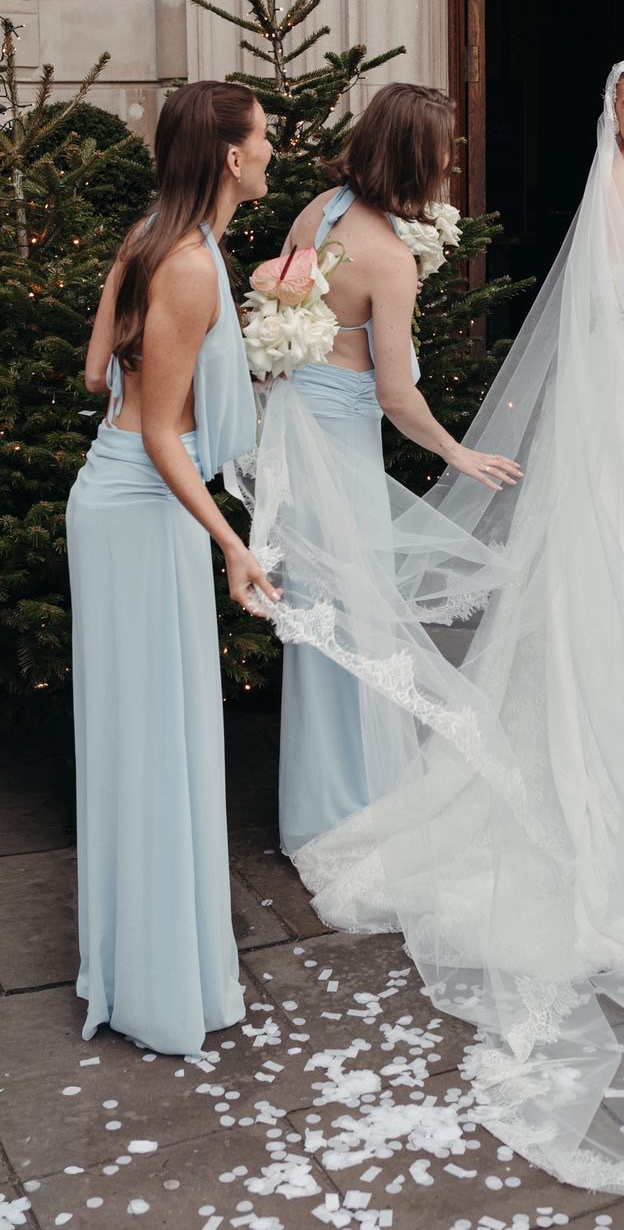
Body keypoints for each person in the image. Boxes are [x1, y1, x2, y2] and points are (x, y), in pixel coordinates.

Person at [244, 54, 624, 1213]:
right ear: (610, 114)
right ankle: (592, 778)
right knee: (616, 584)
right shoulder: (608, 199)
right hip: (617, 426)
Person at [67, 81, 280, 1056]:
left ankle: (139, 972)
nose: (273, 149)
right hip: (145, 508)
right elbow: (161, 432)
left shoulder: (152, 234)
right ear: (232, 158)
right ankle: (159, 986)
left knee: (139, 738)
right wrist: (233, 542)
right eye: (265, 137)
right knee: (158, 740)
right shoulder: (189, 261)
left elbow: (93, 376)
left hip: (109, 499)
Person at [274, 82, 521, 855]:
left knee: (321, 631)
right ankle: (348, 809)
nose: (451, 161)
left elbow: (284, 317)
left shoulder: (320, 210)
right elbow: (395, 392)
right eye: (444, 149)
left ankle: (320, 803)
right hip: (340, 446)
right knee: (357, 626)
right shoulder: (387, 258)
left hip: (297, 431)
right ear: (419, 157)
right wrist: (456, 450)